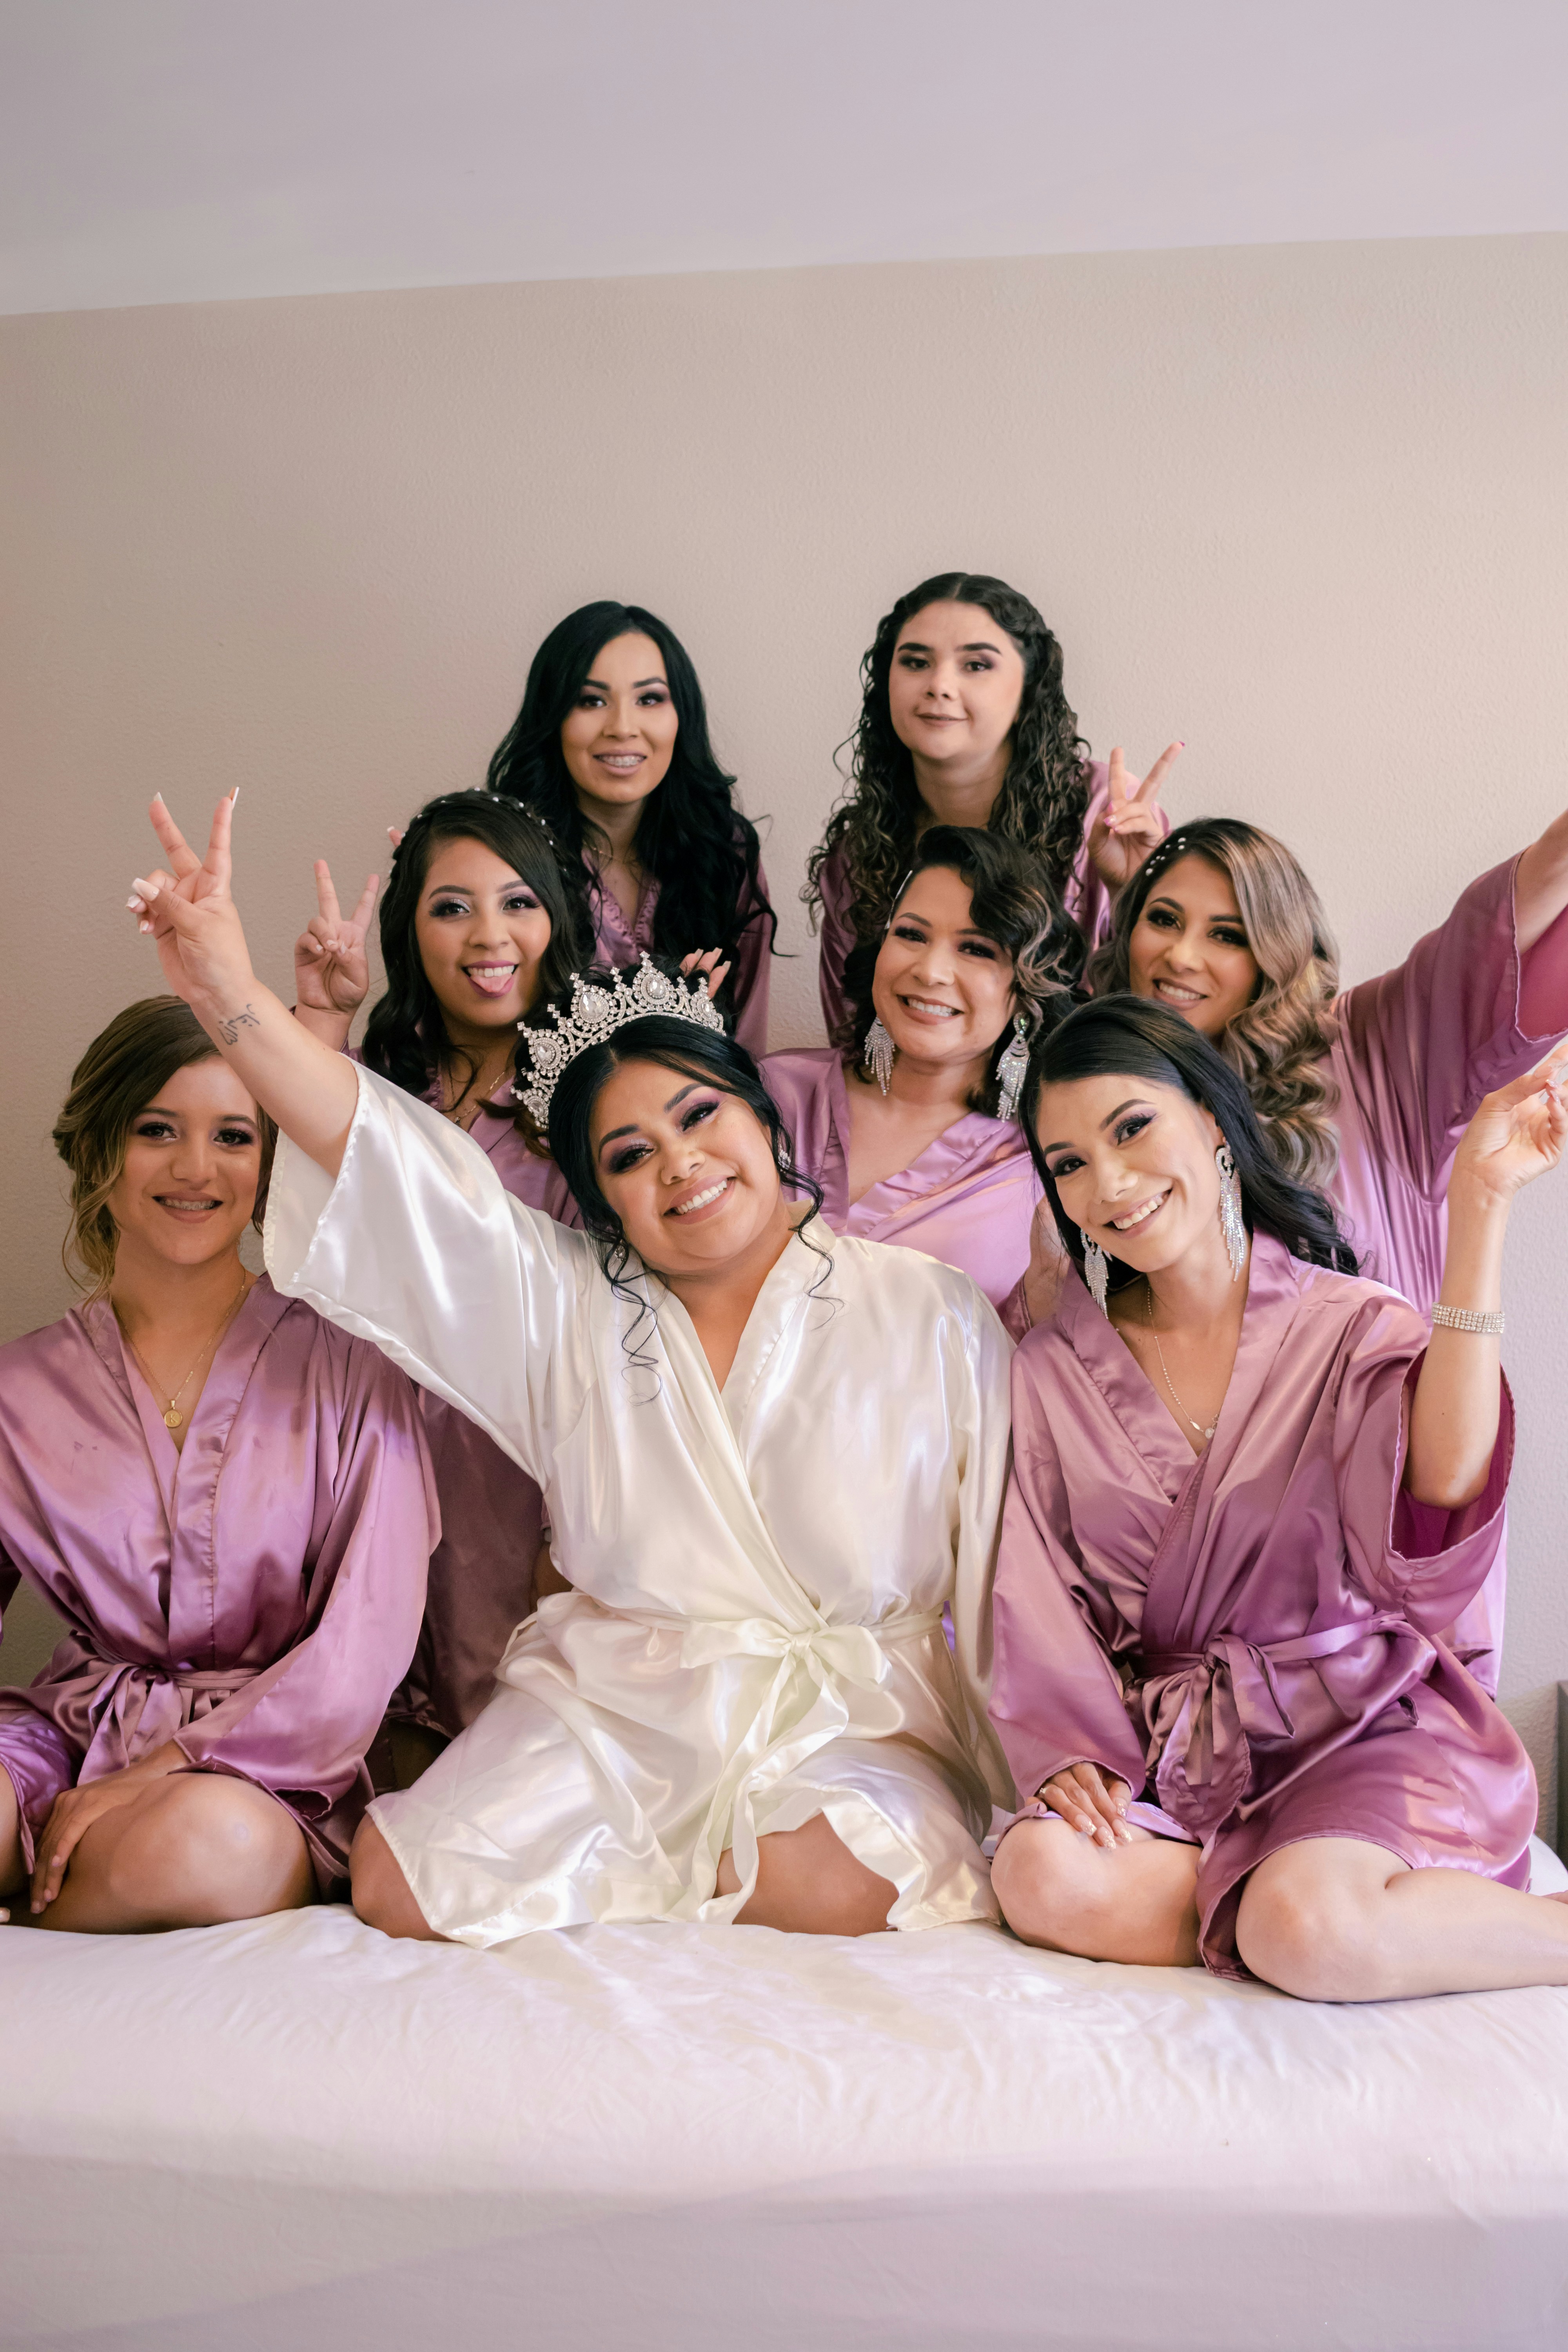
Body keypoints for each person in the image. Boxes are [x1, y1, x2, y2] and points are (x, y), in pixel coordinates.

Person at [126, 796, 1014, 1947]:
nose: (682, 1164)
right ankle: (653, 1892)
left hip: (850, 1714)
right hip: (615, 1704)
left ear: (758, 1112)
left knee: (825, 1876)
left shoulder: (926, 1308)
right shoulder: (569, 1303)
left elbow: (1008, 1573)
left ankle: (673, 1919)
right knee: (401, 1872)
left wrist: (1045, 1767)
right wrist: (228, 998)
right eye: (631, 1156)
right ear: (598, 1204)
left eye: (701, 1117)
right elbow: (391, 1165)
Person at [987, 994, 1568, 2001]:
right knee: (1040, 1869)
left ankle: (1327, 1918)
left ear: (1211, 1120)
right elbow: (1033, 1596)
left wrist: (1479, 1210)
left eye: (1131, 1129)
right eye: (1069, 1164)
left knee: (1308, 1926)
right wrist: (1066, 1757)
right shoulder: (1049, 1374)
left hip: (1360, 1727)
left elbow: (1438, 1501)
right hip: (1182, 1762)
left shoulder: (1346, 1324)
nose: (1109, 1184)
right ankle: (1271, 1910)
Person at [1077, 811, 1568, 1686]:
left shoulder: (1375, 1049)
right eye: (1161, 918)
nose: (1182, 956)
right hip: (1196, 1592)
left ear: (1277, 948)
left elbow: (1499, 926)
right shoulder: (1099, 1115)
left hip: (1378, 1556)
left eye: (1225, 933)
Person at [0, 997, 436, 1931]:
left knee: (203, 1851)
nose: (196, 1168)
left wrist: (163, 1771)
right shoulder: (18, 1389)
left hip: (263, 1773)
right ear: (99, 1150)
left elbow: (364, 1645)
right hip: (67, 1739)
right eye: (159, 1129)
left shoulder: (352, 1366)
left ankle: (38, 1918)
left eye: (233, 1136)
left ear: (265, 1165)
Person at [293, 787, 597, 1766]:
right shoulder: (378, 1089)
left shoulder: (595, 1104)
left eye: (517, 902)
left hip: (517, 1479)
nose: (488, 935)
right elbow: (295, 1220)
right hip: (362, 1454)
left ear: (555, 917)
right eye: (450, 907)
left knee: (502, 1751)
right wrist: (319, 1019)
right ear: (409, 931)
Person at [804, 570, 1180, 1034]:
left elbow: (1163, 1020)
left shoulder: (1105, 813)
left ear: (1028, 692)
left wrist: (1133, 893)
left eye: (976, 665)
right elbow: (853, 1035)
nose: (939, 685)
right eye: (916, 662)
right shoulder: (860, 851)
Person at [763, 827, 1081, 1309]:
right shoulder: (773, 1095)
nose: (931, 971)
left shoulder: (1047, 1167)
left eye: (976, 949)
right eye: (911, 934)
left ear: (1025, 991)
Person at [485, 601, 776, 1057]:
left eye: (650, 699)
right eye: (591, 701)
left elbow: (748, 1048)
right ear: (554, 717)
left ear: (683, 716)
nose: (622, 728)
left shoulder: (727, 853)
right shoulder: (499, 855)